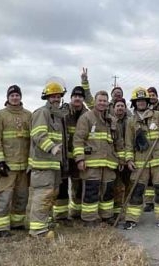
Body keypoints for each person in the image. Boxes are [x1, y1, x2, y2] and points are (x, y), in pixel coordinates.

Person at [0, 85, 32, 237]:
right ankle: (0, 228)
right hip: (6, 166)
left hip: (24, 166)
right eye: (12, 95)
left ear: (21, 97)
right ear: (7, 97)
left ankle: (17, 223)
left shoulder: (29, 115)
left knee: (22, 196)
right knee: (3, 198)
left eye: (17, 95)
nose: (15, 98)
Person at [124, 87, 159, 229]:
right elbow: (128, 143)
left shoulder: (158, 115)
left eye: (143, 100)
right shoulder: (131, 122)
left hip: (158, 161)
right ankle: (131, 219)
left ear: (147, 101)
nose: (141, 103)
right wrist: (129, 159)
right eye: (138, 101)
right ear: (134, 103)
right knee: (137, 190)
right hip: (140, 162)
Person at [28, 78, 68, 238]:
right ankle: (38, 231)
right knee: (43, 195)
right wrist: (52, 147)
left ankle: (46, 222)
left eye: (58, 96)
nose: (56, 99)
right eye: (53, 96)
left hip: (53, 164)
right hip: (42, 163)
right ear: (46, 97)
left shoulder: (56, 115)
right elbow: (38, 135)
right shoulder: (42, 113)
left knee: (51, 194)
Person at [73, 90, 121, 226]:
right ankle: (89, 219)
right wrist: (80, 159)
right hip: (91, 163)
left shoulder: (111, 120)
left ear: (108, 103)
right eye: (100, 100)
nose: (102, 103)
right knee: (91, 191)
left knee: (107, 192)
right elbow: (78, 140)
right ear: (95, 101)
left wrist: (121, 159)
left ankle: (107, 216)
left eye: (104, 101)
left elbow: (118, 142)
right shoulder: (86, 118)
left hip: (109, 163)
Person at [56, 68, 94, 221]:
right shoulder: (63, 112)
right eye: (75, 96)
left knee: (78, 187)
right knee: (62, 186)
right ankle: (60, 215)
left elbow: (92, 100)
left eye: (80, 96)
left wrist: (85, 82)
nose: (77, 98)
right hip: (64, 157)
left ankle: (76, 213)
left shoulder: (87, 115)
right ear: (71, 98)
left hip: (79, 157)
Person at [112, 97, 131, 219]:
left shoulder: (131, 121)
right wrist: (118, 159)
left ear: (125, 108)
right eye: (118, 105)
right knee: (117, 187)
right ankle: (116, 212)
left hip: (129, 159)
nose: (120, 108)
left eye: (122, 106)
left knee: (129, 185)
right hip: (115, 159)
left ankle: (126, 210)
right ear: (114, 108)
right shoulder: (109, 121)